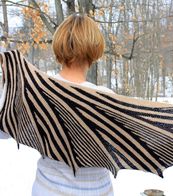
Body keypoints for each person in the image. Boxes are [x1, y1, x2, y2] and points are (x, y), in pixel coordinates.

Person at [0, 14, 114, 196]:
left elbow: (3, 131)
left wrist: (8, 89)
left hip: (48, 190)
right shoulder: (107, 99)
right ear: (95, 50)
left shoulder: (37, 93)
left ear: (59, 47)